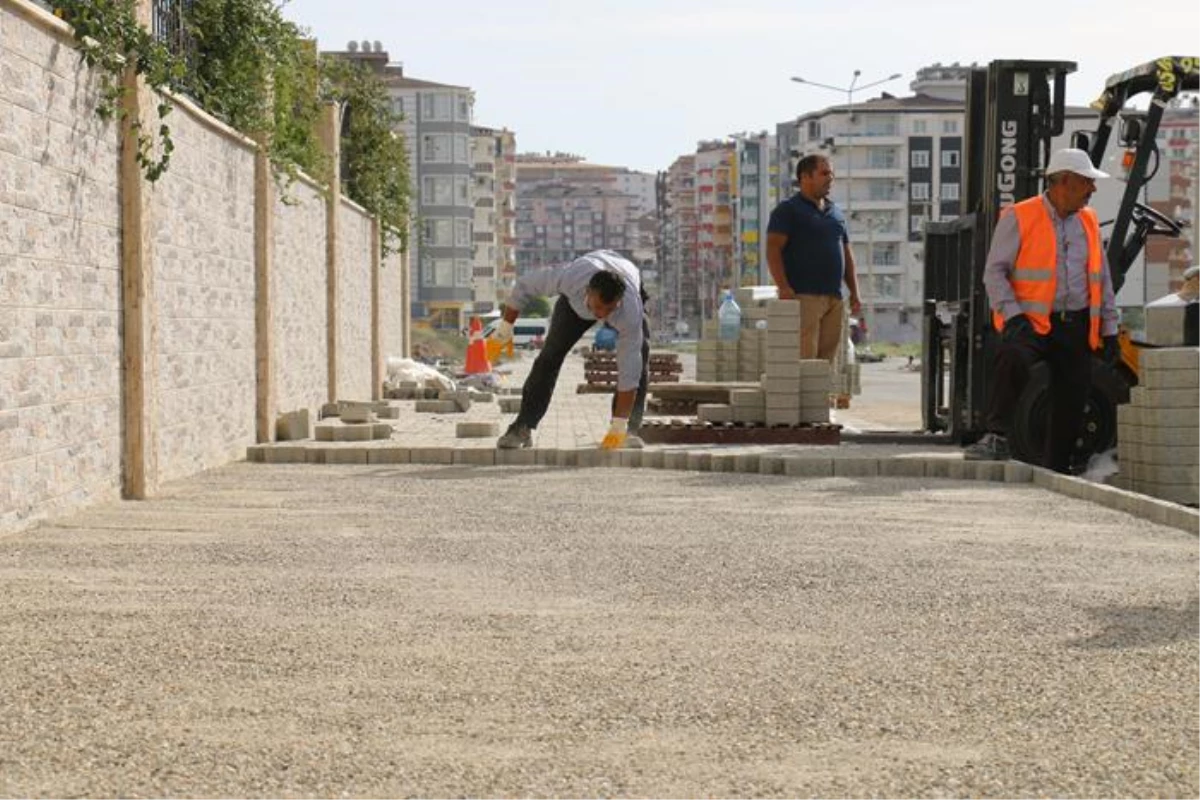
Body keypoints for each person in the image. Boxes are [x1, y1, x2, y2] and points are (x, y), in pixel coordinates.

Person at [965, 148, 1119, 473]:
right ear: (1063, 182)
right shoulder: (1020, 216)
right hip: (1030, 322)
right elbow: (994, 272)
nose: (1093, 190)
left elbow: (1101, 278)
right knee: (1013, 359)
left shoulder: (1088, 221)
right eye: (1087, 182)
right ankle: (996, 436)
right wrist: (1013, 315)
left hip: (1074, 324)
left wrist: (1109, 330)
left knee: (1073, 397)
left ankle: (1057, 469)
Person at [492, 250, 649, 450]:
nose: (601, 316)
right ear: (588, 292)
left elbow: (629, 371)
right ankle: (522, 427)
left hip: (628, 279)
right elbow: (525, 285)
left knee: (640, 358)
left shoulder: (628, 310)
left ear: (618, 302)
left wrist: (619, 426)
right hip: (576, 302)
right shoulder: (571, 277)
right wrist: (505, 327)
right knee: (549, 357)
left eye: (609, 310)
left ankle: (627, 430)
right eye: (598, 307)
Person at [766, 154, 863, 362]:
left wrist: (855, 292)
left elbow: (846, 253)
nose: (830, 179)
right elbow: (772, 249)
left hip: (834, 297)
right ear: (805, 177)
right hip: (803, 296)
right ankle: (805, 396)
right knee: (805, 357)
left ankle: (822, 395)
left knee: (828, 357)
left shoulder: (835, 212)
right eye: (824, 173)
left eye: (832, 174)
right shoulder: (788, 210)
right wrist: (783, 286)